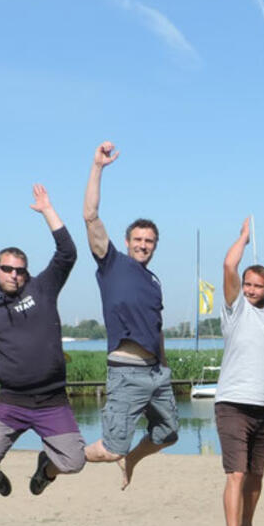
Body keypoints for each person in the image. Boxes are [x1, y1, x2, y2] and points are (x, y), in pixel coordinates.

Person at [0, 184, 86, 497]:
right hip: (11, 402)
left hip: (51, 401)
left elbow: (68, 253)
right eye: (7, 269)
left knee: (74, 461)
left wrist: (47, 210)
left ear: (26, 272)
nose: (14, 275)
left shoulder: (42, 288)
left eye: (19, 270)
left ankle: (45, 469)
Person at [80, 141, 179, 489]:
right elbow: (90, 215)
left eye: (149, 241)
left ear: (155, 245)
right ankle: (62, 457)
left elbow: (157, 328)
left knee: (168, 433)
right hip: (126, 372)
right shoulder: (112, 264)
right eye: (138, 239)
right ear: (127, 241)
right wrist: (98, 167)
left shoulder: (154, 282)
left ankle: (132, 460)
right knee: (110, 449)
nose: (143, 245)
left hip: (156, 372)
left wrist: (165, 367)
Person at [216, 217, 264, 526]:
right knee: (236, 474)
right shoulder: (235, 308)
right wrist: (242, 237)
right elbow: (228, 265)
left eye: (258, 286)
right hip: (232, 405)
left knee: (256, 476)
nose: (251, 290)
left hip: (263, 408)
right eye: (248, 284)